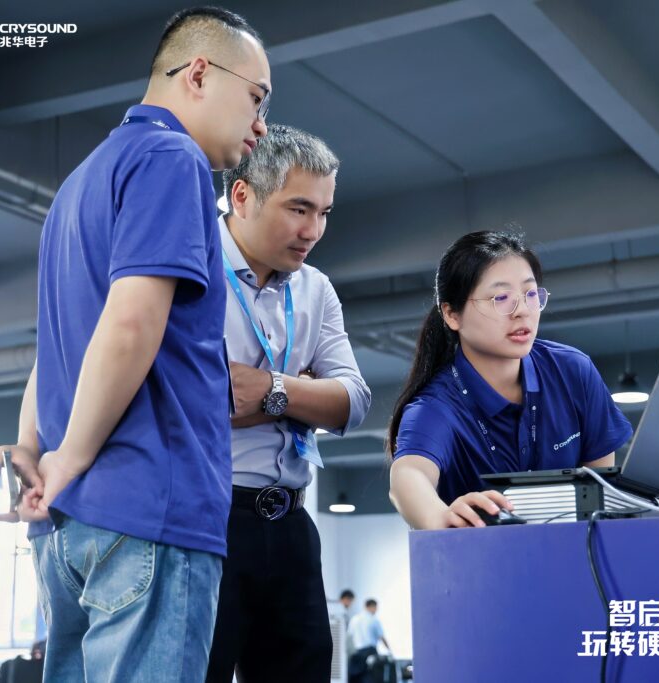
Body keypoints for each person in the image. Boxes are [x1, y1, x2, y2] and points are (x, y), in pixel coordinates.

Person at [0, 6, 271, 682]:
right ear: (198, 73)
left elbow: (55, 345)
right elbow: (131, 323)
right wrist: (68, 457)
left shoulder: (80, 182)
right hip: (148, 509)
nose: (261, 124)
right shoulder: (172, 159)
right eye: (257, 98)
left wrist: (33, 448)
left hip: (68, 529)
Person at [204, 124, 371, 683]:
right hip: (209, 518)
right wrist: (302, 393)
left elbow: (352, 401)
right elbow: (202, 401)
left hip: (292, 523)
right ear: (242, 195)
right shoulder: (192, 266)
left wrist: (272, 390)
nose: (313, 231)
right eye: (299, 209)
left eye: (323, 213)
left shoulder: (315, 288)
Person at [388, 231, 633, 529]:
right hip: (484, 557)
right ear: (452, 315)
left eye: (530, 294)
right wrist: (439, 518)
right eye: (501, 298)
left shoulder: (573, 372)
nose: (522, 311)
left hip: (575, 552)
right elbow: (408, 475)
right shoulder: (436, 407)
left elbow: (600, 496)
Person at [346, 599, 390, 683]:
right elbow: (381, 637)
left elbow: (349, 636)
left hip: (357, 653)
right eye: (375, 608)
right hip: (370, 652)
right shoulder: (374, 620)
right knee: (371, 677)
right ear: (371, 607)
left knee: (357, 678)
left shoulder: (354, 619)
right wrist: (389, 650)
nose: (375, 611)